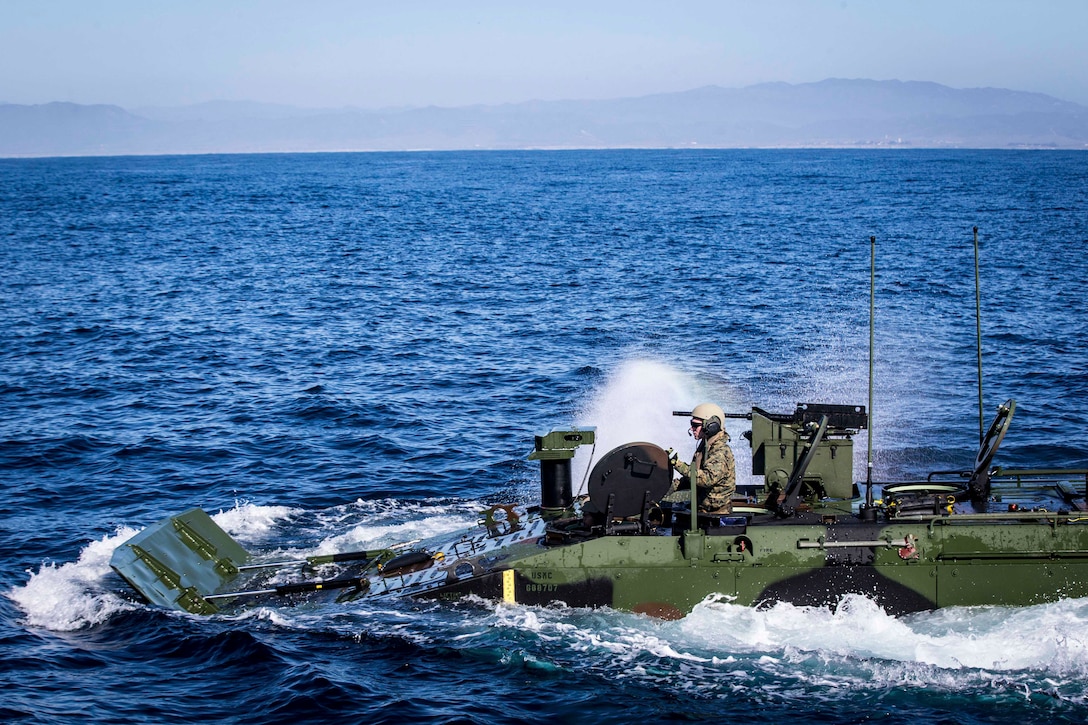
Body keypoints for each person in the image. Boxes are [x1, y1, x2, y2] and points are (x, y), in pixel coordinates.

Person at [668, 402, 737, 514]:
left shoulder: (720, 452)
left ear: (711, 426)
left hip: (714, 513)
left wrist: (677, 464)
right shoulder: (705, 445)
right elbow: (694, 475)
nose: (692, 429)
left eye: (696, 425)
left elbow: (706, 479)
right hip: (702, 508)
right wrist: (669, 487)